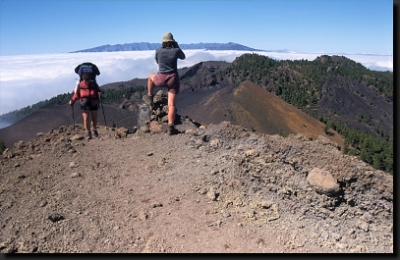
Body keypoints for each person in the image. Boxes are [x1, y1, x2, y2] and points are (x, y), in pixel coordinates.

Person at [143, 32, 186, 135]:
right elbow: (183, 57)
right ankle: (171, 127)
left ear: (163, 42)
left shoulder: (158, 50)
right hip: (173, 79)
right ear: (172, 42)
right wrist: (177, 46)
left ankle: (150, 95)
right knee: (171, 105)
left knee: (150, 76)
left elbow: (158, 62)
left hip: (161, 78)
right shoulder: (176, 51)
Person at [69, 72, 102, 140]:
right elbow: (76, 94)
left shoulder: (94, 84)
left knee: (94, 119)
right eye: (87, 80)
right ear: (83, 79)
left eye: (89, 80)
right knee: (86, 118)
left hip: (93, 102)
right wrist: (72, 100)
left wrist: (99, 93)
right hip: (84, 103)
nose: (88, 82)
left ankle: (94, 128)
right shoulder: (80, 85)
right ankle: (88, 132)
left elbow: (99, 90)